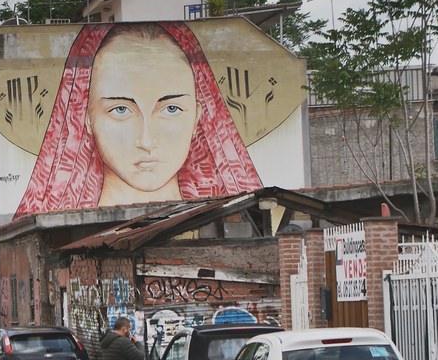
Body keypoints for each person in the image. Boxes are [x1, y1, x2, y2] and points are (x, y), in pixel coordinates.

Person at [15, 22, 261, 218]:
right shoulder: (56, 226)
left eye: (171, 109)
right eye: (121, 110)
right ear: (86, 116)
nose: (146, 140)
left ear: (197, 117)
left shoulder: (240, 219)